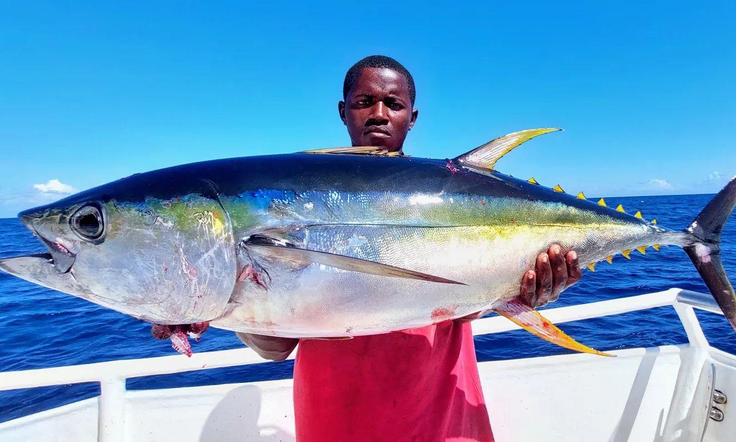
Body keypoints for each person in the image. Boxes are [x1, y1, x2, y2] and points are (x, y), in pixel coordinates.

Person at [238, 55, 582, 442]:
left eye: (394, 104)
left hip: (443, 412)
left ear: (412, 117)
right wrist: (210, 302)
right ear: (343, 111)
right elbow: (275, 346)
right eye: (364, 102)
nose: (379, 114)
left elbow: (475, 297)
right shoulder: (300, 197)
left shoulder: (447, 196)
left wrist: (528, 290)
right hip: (336, 417)